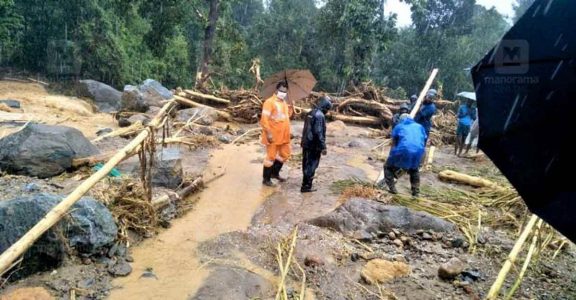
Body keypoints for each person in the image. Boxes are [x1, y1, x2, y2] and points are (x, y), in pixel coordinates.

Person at [380, 114, 427, 196]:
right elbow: (424, 140)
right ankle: (416, 192)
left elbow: (394, 143)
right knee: (414, 169)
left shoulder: (399, 126)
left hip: (404, 149)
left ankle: (392, 189)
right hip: (420, 150)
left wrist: (391, 158)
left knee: (387, 167)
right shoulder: (420, 126)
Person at [260, 81, 294, 186]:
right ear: (276, 90)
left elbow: (286, 117)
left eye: (285, 91)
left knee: (285, 154)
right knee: (270, 157)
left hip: (284, 136)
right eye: (281, 91)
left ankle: (274, 173)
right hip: (273, 136)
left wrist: (291, 108)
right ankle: (266, 179)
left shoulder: (284, 103)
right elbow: (264, 119)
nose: (283, 93)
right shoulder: (269, 102)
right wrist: (269, 133)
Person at [300, 96, 332, 193]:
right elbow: (318, 133)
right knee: (312, 165)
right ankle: (306, 186)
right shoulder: (320, 115)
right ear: (325, 107)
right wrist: (323, 147)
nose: (327, 111)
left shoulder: (310, 112)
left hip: (306, 143)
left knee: (306, 163)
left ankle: (304, 183)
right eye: (327, 109)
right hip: (314, 145)